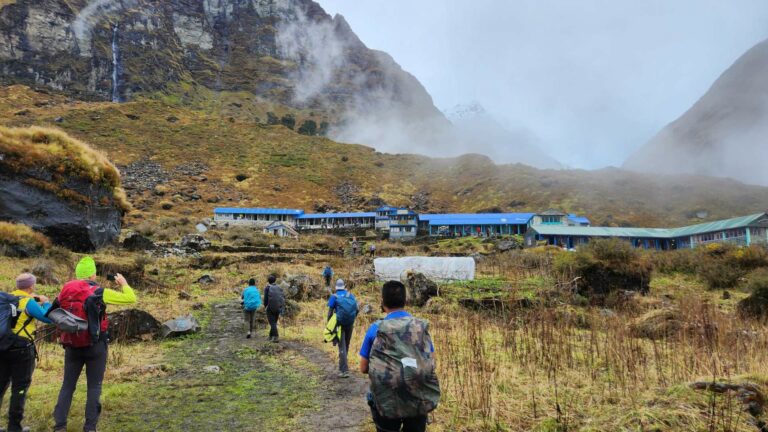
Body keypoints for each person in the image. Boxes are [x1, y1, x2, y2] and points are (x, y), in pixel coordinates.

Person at [52, 256, 137, 432]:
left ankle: (59, 426)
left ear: (77, 274)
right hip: (95, 344)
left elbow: (52, 313)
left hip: (71, 343)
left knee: (67, 385)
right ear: (92, 274)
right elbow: (130, 298)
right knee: (94, 386)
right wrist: (123, 283)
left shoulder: (65, 290)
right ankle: (90, 428)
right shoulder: (99, 292)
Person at [359, 281, 440, 432]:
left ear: (382, 303)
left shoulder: (375, 328)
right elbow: (432, 361)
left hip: (386, 401)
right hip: (417, 397)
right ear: (406, 301)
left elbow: (363, 368)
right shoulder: (420, 327)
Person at [0, 273, 52, 432]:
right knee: (19, 388)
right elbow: (48, 318)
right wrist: (46, 303)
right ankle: (14, 427)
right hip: (22, 350)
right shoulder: (28, 301)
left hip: (2, 347)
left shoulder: (6, 299)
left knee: (0, 386)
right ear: (31, 286)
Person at [327, 279, 358, 378]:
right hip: (350, 323)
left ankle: (344, 370)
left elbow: (330, 313)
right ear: (344, 286)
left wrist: (329, 325)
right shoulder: (350, 295)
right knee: (346, 345)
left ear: (336, 287)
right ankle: (344, 365)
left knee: (342, 346)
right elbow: (357, 309)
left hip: (340, 324)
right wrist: (352, 318)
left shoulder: (334, 296)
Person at [262, 275, 284, 343]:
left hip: (270, 307)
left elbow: (265, 299)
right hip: (278, 307)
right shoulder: (279, 287)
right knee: (274, 322)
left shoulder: (267, 288)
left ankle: (276, 337)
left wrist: (265, 306)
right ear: (275, 280)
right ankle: (270, 336)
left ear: (268, 281)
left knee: (272, 323)